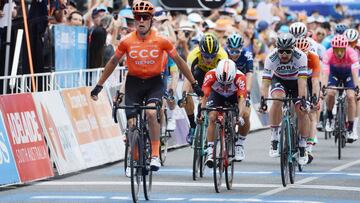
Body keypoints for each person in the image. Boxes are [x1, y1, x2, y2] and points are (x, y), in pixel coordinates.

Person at [90, 1, 203, 174]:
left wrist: (194, 83)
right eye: (137, 18)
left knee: (151, 113)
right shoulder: (127, 41)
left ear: (151, 20)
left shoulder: (161, 40)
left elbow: (179, 62)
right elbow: (113, 62)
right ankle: (134, 157)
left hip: (154, 82)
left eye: (145, 17)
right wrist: (99, 85)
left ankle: (155, 154)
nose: (141, 21)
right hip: (134, 83)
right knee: (131, 122)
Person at [259, 33, 310, 165]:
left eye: (288, 51)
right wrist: (263, 100)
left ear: (293, 49)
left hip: (296, 82)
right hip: (279, 81)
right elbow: (265, 82)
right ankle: (275, 137)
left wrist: (303, 99)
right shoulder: (271, 57)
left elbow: (302, 82)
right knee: (277, 99)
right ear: (277, 49)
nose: (284, 54)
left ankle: (303, 145)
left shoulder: (301, 57)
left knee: (302, 111)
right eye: (281, 51)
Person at [180, 33, 228, 144]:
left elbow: (225, 80)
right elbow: (188, 77)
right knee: (187, 97)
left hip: (216, 76)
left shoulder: (222, 56)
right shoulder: (193, 55)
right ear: (201, 52)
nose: (209, 59)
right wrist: (184, 95)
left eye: (212, 56)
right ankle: (192, 127)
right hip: (200, 74)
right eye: (206, 56)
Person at [200, 59, 247, 166]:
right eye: (222, 83)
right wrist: (201, 112)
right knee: (212, 116)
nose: (225, 86)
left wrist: (239, 117)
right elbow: (204, 96)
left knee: (246, 114)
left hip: (234, 96)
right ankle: (210, 150)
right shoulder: (210, 75)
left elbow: (242, 100)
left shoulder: (240, 78)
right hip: (217, 95)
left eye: (228, 84)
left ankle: (239, 144)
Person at [323, 34, 359, 143]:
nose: (339, 53)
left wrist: (357, 87)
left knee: (351, 97)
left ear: (345, 48)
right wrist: (324, 86)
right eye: (336, 50)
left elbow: (355, 72)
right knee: (330, 93)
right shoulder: (328, 54)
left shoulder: (352, 53)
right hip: (334, 74)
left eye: (341, 50)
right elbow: (325, 73)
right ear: (333, 48)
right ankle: (329, 118)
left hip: (348, 75)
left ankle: (351, 128)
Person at [224, 33, 253, 160]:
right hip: (226, 85)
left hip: (241, 84)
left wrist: (248, 92)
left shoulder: (247, 54)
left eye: (237, 51)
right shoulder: (223, 54)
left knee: (246, 113)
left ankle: (240, 143)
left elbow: (250, 74)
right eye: (232, 51)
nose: (234, 54)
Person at [295, 37, 321, 163]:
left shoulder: (314, 57)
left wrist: (315, 98)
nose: (301, 57)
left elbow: (315, 81)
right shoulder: (292, 57)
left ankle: (308, 148)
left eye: (304, 53)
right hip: (295, 79)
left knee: (311, 111)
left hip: (310, 80)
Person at [344, 28, 360, 138]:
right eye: (348, 43)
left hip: (357, 72)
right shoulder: (340, 47)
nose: (350, 45)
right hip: (343, 72)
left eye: (353, 42)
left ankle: (353, 129)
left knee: (356, 97)